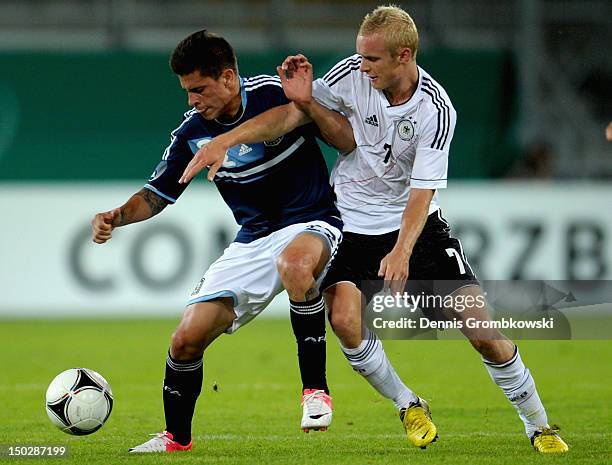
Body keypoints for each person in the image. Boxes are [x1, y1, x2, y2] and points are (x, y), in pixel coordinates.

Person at [179, 6, 569, 454]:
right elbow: (292, 117)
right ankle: (407, 404)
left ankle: (538, 425)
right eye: (360, 57)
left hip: (414, 227)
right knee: (344, 319)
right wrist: (228, 139)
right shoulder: (350, 75)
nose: (362, 67)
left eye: (372, 60)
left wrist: (402, 251)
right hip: (347, 222)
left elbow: (421, 194)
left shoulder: (436, 110)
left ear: (403, 56)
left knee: (481, 330)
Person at [91, 30, 357, 452]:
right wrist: (116, 217)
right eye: (186, 91)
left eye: (199, 89)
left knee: (294, 264)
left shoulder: (274, 93)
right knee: (184, 339)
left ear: (229, 78)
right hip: (251, 240)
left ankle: (315, 392)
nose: (192, 100)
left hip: (313, 220)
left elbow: (329, 131)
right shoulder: (191, 132)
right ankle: (177, 438)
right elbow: (156, 196)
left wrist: (237, 136)